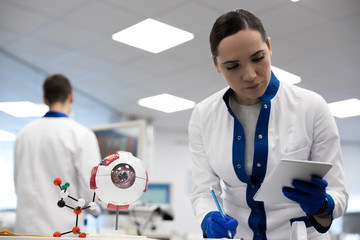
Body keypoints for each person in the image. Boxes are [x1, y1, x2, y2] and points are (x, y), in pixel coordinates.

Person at [188, 9, 348, 239]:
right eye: (232, 66)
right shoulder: (203, 115)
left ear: (270, 47)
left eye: (258, 58)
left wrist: (323, 204)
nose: (250, 75)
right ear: (216, 64)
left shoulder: (312, 107)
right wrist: (208, 218)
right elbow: (204, 192)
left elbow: (339, 192)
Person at [14, 74, 102, 235]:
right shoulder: (81, 135)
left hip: (24, 232)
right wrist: (97, 210)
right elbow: (91, 192)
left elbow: (18, 182)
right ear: (71, 96)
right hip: (63, 231)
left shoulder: (23, 135)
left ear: (45, 99)